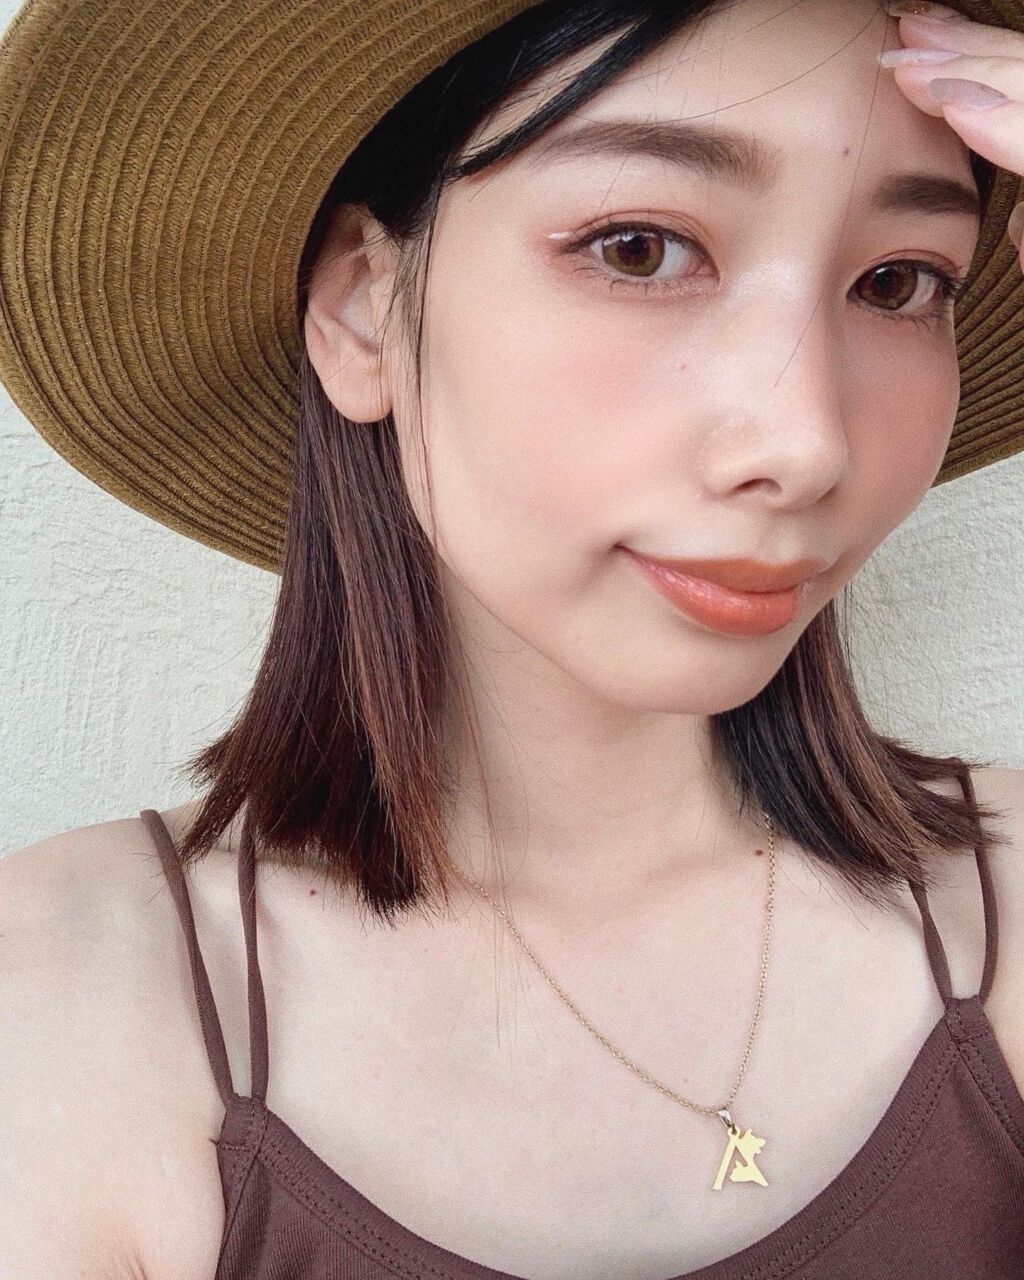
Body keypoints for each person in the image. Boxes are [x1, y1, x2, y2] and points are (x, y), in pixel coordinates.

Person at [0, 0, 1022, 1276]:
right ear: (365, 307)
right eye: (640, 249)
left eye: (899, 282)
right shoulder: (66, 995)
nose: (805, 441)